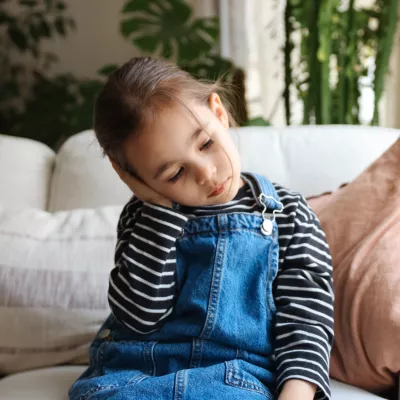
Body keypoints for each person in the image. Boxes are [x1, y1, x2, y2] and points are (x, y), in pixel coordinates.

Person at [69, 57, 334, 400]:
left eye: (206, 143)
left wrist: (295, 394)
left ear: (218, 112)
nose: (206, 174)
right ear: (135, 179)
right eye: (174, 174)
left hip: (237, 376)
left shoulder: (289, 215)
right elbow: (139, 317)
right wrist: (156, 208)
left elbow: (307, 322)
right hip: (138, 371)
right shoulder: (144, 218)